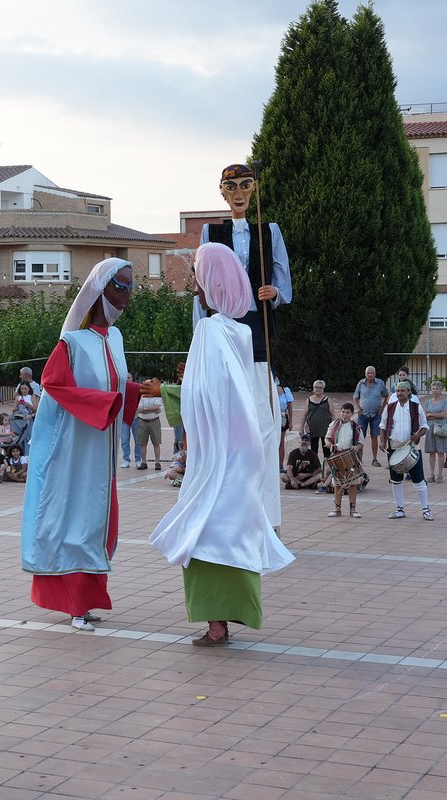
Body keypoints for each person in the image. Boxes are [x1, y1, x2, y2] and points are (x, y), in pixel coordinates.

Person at [150, 242, 294, 647]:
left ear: (211, 282)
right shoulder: (243, 331)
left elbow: (205, 393)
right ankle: (231, 616)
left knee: (204, 531)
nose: (194, 284)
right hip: (240, 447)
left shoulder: (209, 330)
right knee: (236, 529)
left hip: (220, 453)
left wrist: (167, 391)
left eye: (198, 275)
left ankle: (216, 624)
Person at [21, 258, 140, 632]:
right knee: (74, 517)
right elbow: (54, 384)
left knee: (97, 521)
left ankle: (86, 601)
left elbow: (115, 385)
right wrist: (103, 404)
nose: (125, 297)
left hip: (101, 451)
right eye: (119, 287)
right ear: (98, 290)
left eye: (130, 289)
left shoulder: (116, 339)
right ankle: (73, 604)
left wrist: (137, 391)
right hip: (73, 449)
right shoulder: (71, 342)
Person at [198, 163, 292, 533]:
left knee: (265, 423)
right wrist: (202, 332)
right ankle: (227, 514)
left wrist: (276, 294)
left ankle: (267, 519)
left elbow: (283, 277)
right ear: (222, 191)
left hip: (256, 332)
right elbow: (202, 285)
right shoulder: (210, 231)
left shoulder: (269, 231)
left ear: (254, 189)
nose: (239, 193)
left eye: (246, 185)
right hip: (223, 328)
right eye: (231, 186)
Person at [381, 381, 433, 521]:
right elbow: (383, 425)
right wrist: (382, 441)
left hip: (412, 447)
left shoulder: (416, 407)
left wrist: (417, 435)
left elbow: (424, 427)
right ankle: (399, 509)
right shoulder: (390, 407)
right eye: (397, 391)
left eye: (402, 391)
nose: (399, 394)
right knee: (396, 480)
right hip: (394, 446)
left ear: (409, 392)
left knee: (419, 481)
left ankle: (426, 510)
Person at [325, 402, 364, 518]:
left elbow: (361, 443)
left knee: (352, 484)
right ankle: (337, 509)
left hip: (350, 457)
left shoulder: (356, 427)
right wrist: (329, 444)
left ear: (352, 414)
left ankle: (353, 510)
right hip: (337, 456)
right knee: (337, 484)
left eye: (347, 412)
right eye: (343, 411)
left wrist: (355, 448)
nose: (344, 414)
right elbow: (327, 438)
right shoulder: (334, 424)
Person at [353, 365, 389, 467]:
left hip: (376, 414)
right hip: (363, 415)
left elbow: (386, 395)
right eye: (368, 373)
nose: (370, 374)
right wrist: (358, 408)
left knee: (374, 436)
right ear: (365, 374)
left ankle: (374, 459)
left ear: (375, 374)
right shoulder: (361, 383)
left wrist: (382, 407)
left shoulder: (380, 383)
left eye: (372, 373)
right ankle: (359, 461)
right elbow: (355, 396)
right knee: (360, 438)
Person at [423, 381, 447, 483]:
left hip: (441, 427)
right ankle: (431, 474)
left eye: (437, 389)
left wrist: (431, 415)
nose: (434, 391)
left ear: (441, 390)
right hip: (430, 428)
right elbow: (425, 415)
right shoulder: (428, 402)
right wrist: (431, 415)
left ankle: (440, 474)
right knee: (431, 451)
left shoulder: (445, 401)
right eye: (433, 388)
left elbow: (443, 414)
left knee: (440, 451)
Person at [118, 373, 142, 469]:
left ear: (132, 379)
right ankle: (126, 459)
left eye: (129, 378)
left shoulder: (137, 388)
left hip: (136, 417)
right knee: (124, 440)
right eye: (126, 378)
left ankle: (138, 460)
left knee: (138, 440)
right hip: (124, 418)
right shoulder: (120, 388)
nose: (127, 380)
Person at [135, 393, 164, 470]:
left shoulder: (157, 396)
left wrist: (145, 409)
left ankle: (157, 463)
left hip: (154, 421)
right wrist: (153, 410)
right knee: (142, 443)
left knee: (156, 443)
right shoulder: (142, 396)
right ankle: (143, 462)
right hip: (142, 421)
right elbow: (139, 409)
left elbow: (156, 407)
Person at [10, 380, 39, 456]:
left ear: (29, 389)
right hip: (20, 421)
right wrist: (17, 405)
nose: (23, 390)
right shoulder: (18, 397)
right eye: (22, 388)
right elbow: (14, 410)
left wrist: (28, 405)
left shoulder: (32, 397)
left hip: (29, 420)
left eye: (25, 388)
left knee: (29, 439)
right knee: (20, 439)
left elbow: (36, 410)